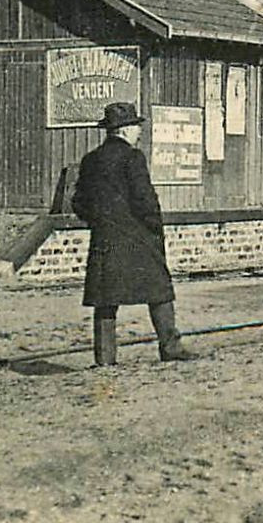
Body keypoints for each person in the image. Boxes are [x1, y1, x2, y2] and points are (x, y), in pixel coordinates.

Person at [71, 102, 194, 366]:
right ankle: (170, 346)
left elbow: (79, 202)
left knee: (105, 298)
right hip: (138, 238)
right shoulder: (132, 157)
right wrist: (154, 227)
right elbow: (145, 199)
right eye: (136, 126)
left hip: (105, 239)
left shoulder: (91, 160)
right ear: (126, 129)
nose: (139, 131)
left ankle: (105, 358)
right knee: (160, 290)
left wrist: (99, 222)